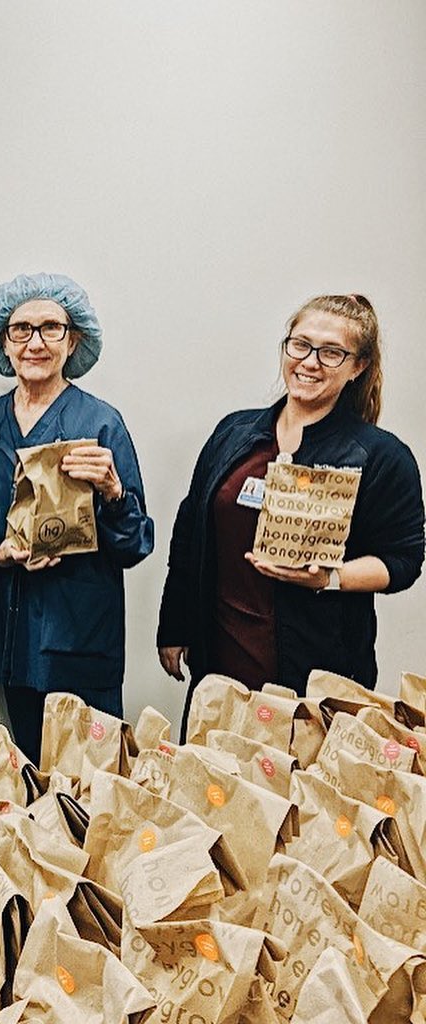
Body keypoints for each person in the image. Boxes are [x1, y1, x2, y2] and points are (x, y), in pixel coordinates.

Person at [157, 294, 424, 723]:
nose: (310, 362)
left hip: (317, 677)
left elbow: (404, 560)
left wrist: (329, 578)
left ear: (358, 366)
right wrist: (174, 626)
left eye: (331, 352)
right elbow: (190, 532)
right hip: (220, 670)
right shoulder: (234, 433)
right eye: (299, 345)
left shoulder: (381, 456)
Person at [0, 273, 153, 764]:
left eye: (51, 328)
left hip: (82, 644)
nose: (35, 343)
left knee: (95, 793)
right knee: (34, 785)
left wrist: (114, 492)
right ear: (4, 344)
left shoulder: (100, 424)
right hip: (11, 649)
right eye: (21, 330)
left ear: (73, 340)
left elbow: (136, 544)